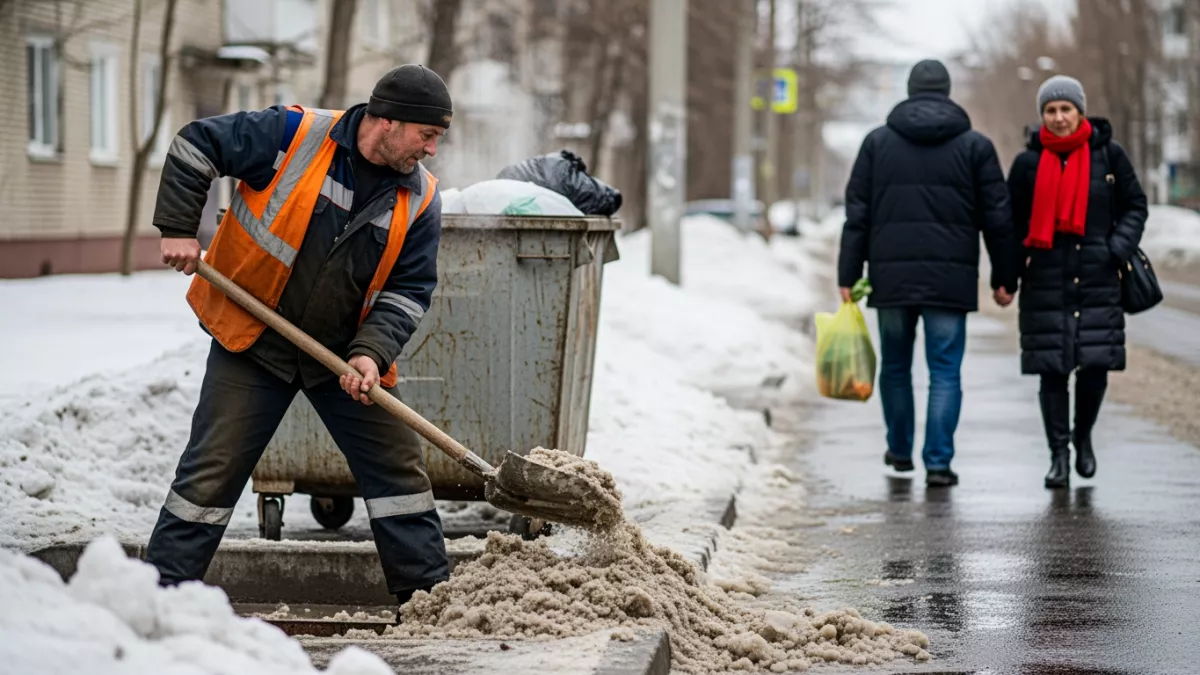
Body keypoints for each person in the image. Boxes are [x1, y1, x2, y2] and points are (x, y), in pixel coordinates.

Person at [146, 64, 453, 616]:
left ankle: (428, 603)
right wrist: (176, 227)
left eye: (436, 139)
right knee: (210, 472)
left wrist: (369, 352)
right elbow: (197, 145)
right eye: (426, 135)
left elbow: (408, 292)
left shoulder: (421, 199)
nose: (431, 150)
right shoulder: (292, 136)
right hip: (254, 340)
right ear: (386, 121)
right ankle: (157, 598)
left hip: (340, 359)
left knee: (398, 469)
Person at [838, 59, 1019, 487]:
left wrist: (848, 273)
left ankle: (900, 452)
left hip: (891, 279)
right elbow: (999, 218)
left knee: (896, 367)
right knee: (944, 370)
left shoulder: (876, 143)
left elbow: (857, 215)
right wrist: (1005, 276)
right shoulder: (976, 146)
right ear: (947, 91)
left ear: (910, 89)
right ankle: (938, 462)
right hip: (949, 280)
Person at [1006, 75, 1147, 489]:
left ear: (1080, 111)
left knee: (1095, 365)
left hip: (1098, 277)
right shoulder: (1027, 164)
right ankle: (1059, 455)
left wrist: (1116, 247)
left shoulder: (1109, 156)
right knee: (1052, 369)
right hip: (1046, 278)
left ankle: (1083, 436)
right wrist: (1007, 277)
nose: (1059, 117)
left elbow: (1135, 206)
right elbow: (1011, 225)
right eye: (1050, 110)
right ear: (1042, 116)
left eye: (1066, 108)